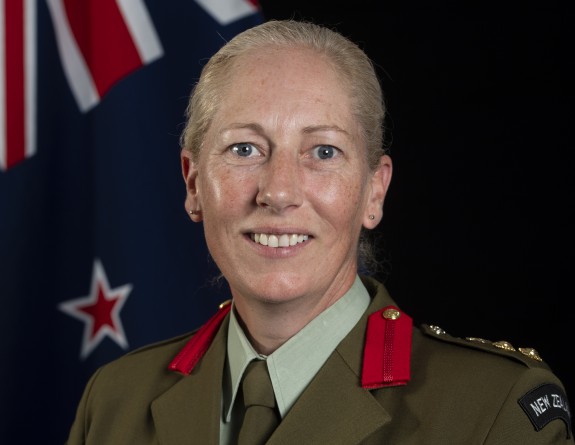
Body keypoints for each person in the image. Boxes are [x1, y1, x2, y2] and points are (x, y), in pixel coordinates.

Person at [65, 19, 573, 444]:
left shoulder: (493, 411)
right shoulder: (114, 403)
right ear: (194, 183)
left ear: (374, 191)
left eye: (323, 152)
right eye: (245, 149)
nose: (278, 192)